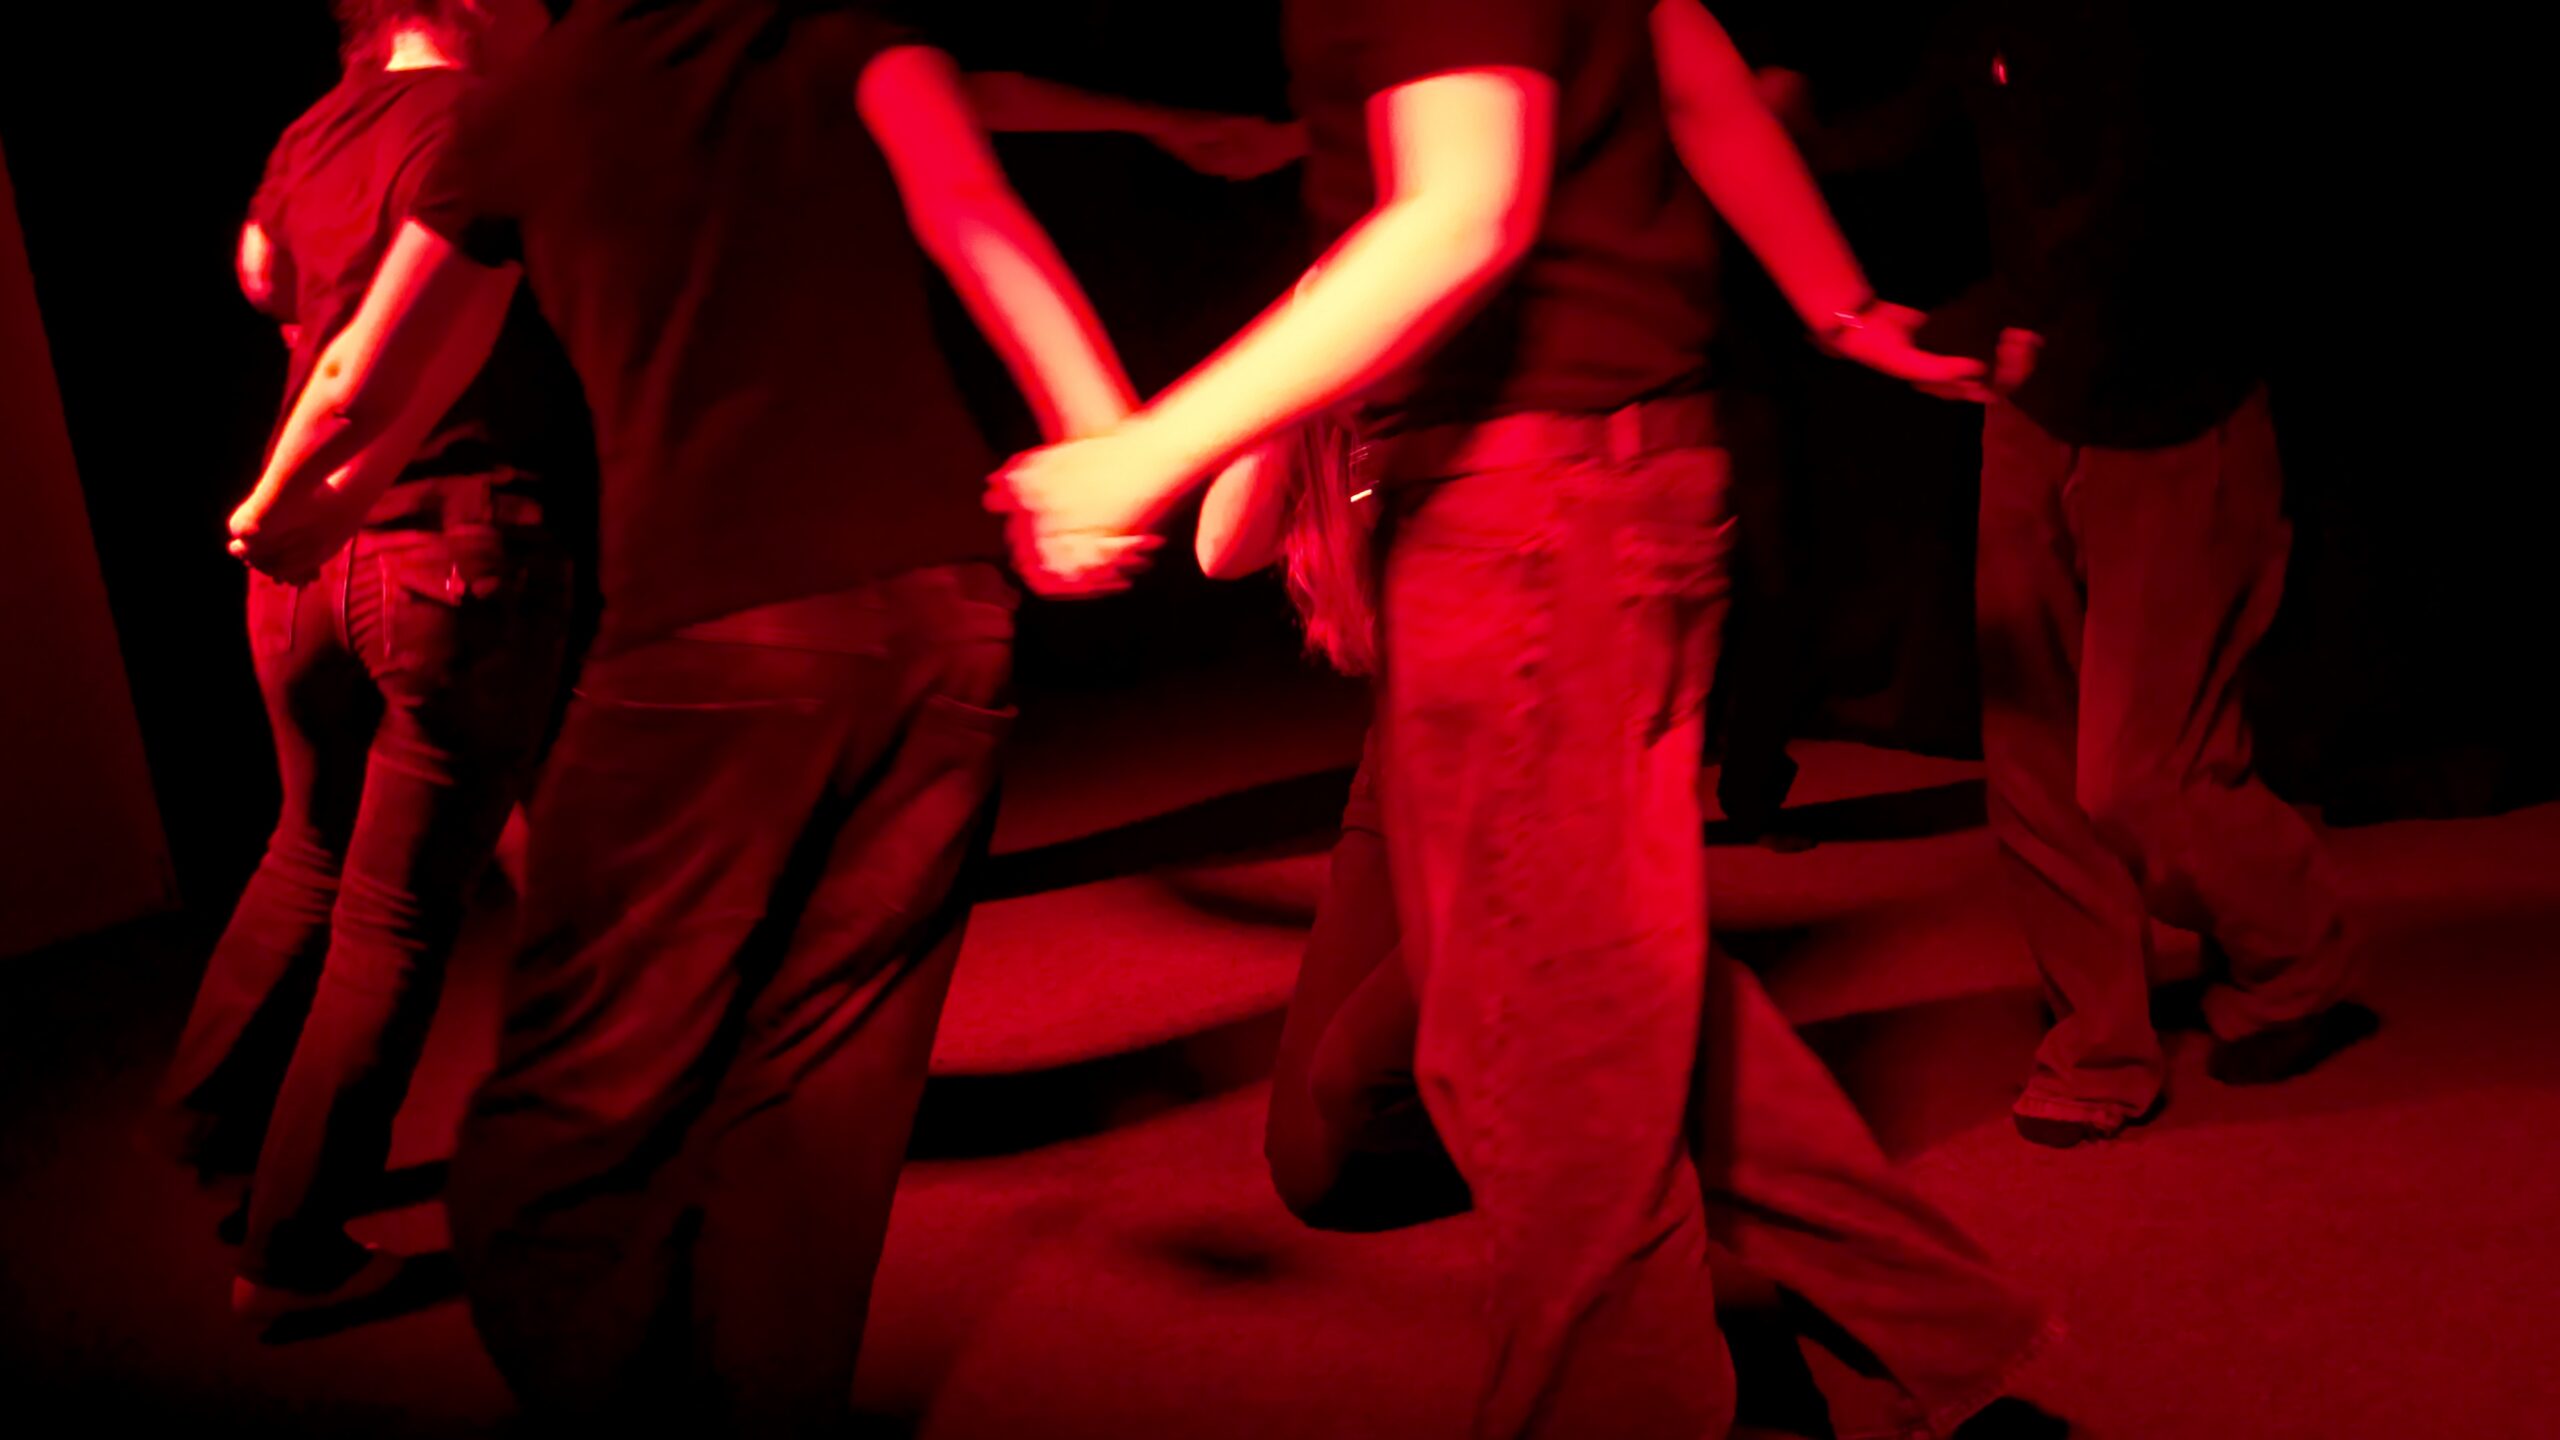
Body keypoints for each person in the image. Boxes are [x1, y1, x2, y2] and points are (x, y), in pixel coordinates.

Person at [997, 3, 2007, 1434]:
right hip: (1584, 498)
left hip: (1534, 510)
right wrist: (1839, 307)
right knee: (1575, 1008)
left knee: (1546, 1066)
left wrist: (1145, 453)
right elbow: (1693, 73)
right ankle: (1952, 1342)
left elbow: (1461, 207)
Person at [227, 0, 1139, 1428]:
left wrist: (284, 508)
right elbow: (983, 225)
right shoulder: (847, 41)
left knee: (551, 1142)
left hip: (718, 634)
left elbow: (369, 365)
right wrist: (1108, 446)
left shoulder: (525, 111)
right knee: (822, 1096)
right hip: (943, 620)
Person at [152, 0, 584, 1324]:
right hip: (448, 551)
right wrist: (280, 498)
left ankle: (206, 1124)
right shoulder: (487, 128)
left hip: (306, 581)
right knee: (395, 914)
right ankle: (291, 1253)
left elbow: (258, 275)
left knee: (305, 852)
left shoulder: (313, 128)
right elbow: (357, 370)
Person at [1895, 0, 2374, 1146]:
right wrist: (1804, 125)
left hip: (2170, 406)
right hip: (2035, 404)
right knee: (2031, 753)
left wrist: (2031, 314)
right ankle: (2097, 1038)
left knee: (2139, 775)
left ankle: (2297, 958)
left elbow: (2172, 167)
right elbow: (1946, 103)